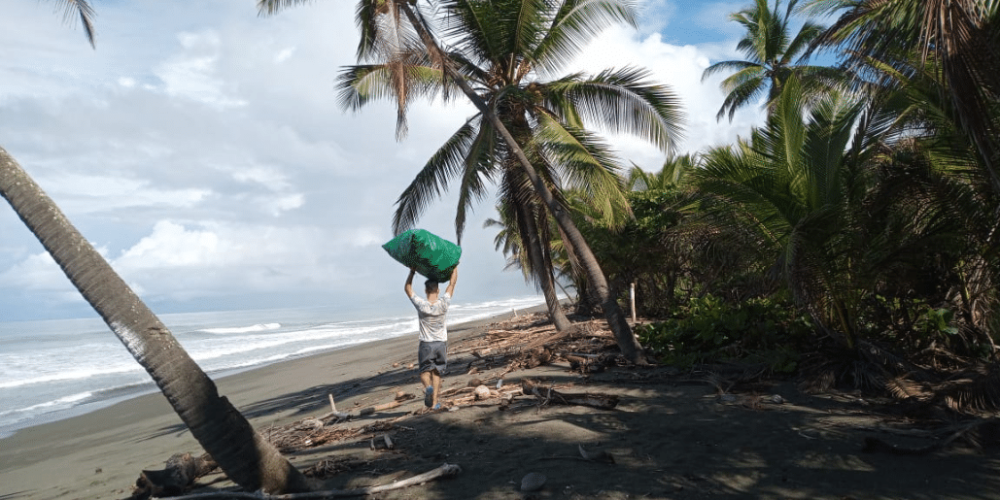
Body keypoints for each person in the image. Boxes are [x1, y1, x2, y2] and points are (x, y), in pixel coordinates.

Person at [405, 265, 458, 410]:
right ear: (438, 290)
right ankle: (434, 403)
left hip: (426, 344)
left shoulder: (422, 305)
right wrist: (454, 265)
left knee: (424, 371)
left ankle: (427, 387)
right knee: (437, 373)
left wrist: (412, 272)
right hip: (441, 344)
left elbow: (408, 289)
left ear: (426, 291)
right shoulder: (444, 303)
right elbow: (452, 283)